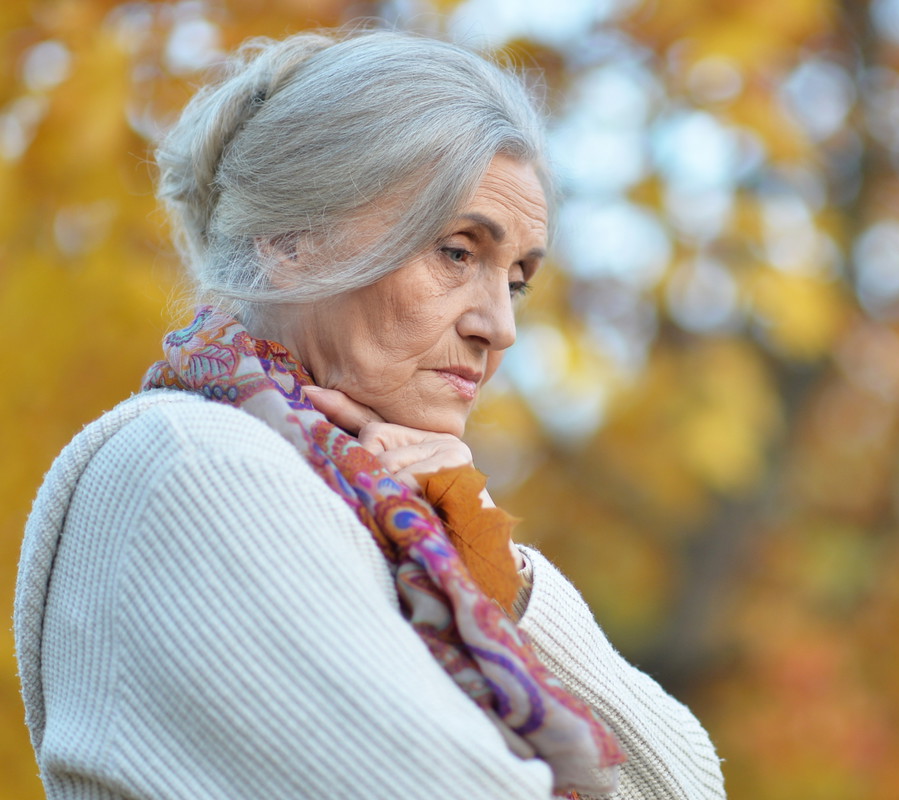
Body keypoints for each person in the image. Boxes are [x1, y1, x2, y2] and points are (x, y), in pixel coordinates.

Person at [14, 28, 726, 800]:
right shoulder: (196, 465)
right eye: (457, 252)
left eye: (515, 279)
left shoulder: (386, 516)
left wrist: (500, 576)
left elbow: (689, 787)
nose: (501, 325)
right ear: (292, 237)